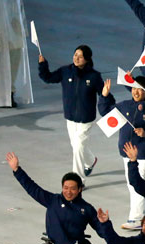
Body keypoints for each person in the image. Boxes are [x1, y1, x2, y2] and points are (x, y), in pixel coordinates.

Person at [6, 152, 104, 244]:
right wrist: (17, 170)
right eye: (65, 188)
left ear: (80, 189)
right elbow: (33, 188)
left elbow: (102, 228)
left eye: (73, 189)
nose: (68, 192)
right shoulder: (52, 201)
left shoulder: (87, 208)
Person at [98, 76, 145, 231]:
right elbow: (106, 112)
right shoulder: (124, 106)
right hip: (126, 152)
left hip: (142, 153)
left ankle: (137, 218)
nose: (136, 92)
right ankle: (144, 213)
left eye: (140, 89)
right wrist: (104, 95)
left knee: (136, 183)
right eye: (134, 88)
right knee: (133, 183)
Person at [38, 46, 103, 181]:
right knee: (77, 147)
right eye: (75, 55)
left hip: (86, 119)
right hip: (71, 117)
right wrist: (42, 65)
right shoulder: (65, 71)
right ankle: (90, 161)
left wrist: (107, 96)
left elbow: (103, 94)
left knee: (78, 146)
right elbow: (48, 77)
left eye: (80, 56)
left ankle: (78, 179)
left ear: (87, 59)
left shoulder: (94, 76)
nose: (76, 58)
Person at [0, 0, 33, 107]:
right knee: (0, 67)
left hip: (16, 33)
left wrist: (24, 31)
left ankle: (10, 94)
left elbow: (21, 10)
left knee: (14, 65)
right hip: (1, 34)